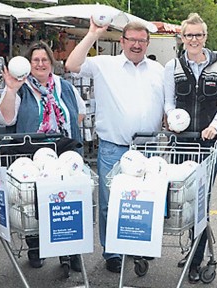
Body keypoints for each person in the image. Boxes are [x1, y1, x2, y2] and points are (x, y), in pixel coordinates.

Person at [65, 20, 165, 273]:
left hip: (148, 149)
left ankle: (139, 246)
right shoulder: (103, 65)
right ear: (122, 41)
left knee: (144, 201)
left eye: (141, 40)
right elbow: (72, 64)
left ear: (147, 43)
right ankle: (112, 252)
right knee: (111, 203)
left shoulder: (157, 70)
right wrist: (92, 34)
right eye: (131, 39)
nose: (136, 44)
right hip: (114, 147)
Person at [0, 40, 86, 271]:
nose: (40, 63)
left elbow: (80, 114)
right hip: (31, 156)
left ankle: (70, 250)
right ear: (28, 63)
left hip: (64, 154)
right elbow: (6, 119)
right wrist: (11, 90)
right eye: (35, 59)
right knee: (32, 203)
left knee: (68, 201)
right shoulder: (20, 86)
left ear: (51, 62)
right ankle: (35, 246)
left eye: (44, 59)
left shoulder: (64, 86)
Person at [163, 13, 217, 284]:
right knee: (181, 198)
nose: (194, 39)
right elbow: (168, 101)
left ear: (205, 37)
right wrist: (172, 118)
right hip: (181, 141)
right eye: (189, 35)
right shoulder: (173, 66)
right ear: (182, 37)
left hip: (207, 142)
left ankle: (196, 258)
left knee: (201, 202)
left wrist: (215, 124)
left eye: (199, 35)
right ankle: (190, 248)